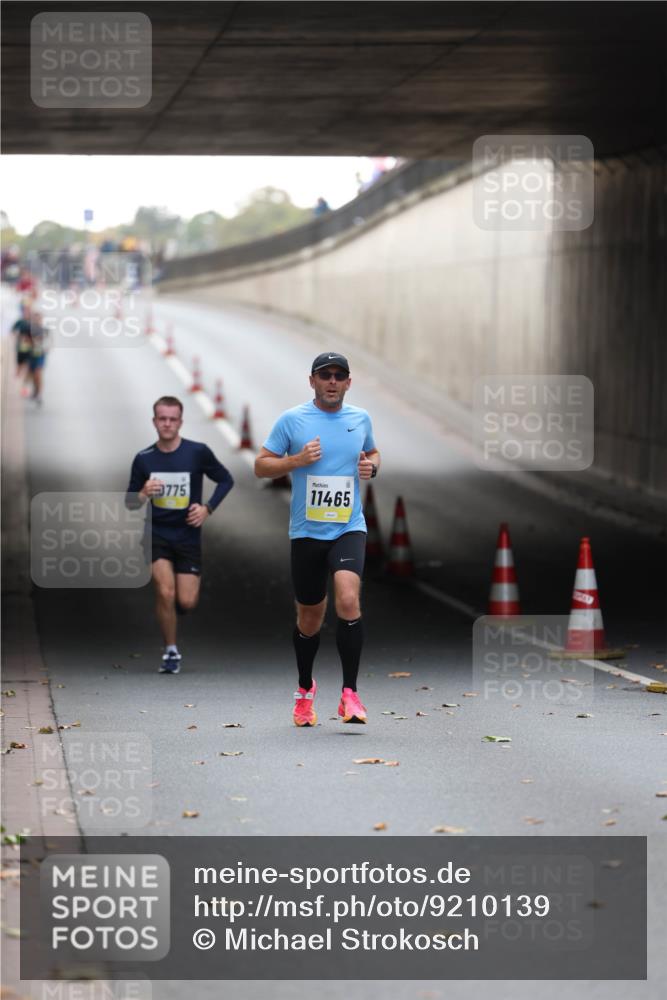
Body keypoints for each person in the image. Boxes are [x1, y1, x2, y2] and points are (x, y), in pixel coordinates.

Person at [255, 353, 381, 727]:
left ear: (348, 383)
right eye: (324, 375)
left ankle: (350, 694)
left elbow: (372, 451)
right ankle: (305, 689)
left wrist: (371, 466)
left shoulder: (359, 419)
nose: (332, 381)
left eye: (339, 376)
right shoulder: (293, 420)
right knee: (310, 618)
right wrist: (295, 461)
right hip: (307, 532)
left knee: (347, 598)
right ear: (312, 381)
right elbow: (261, 465)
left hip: (348, 526)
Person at [126, 396, 234, 674]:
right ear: (154, 421)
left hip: (188, 536)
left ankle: (173, 608)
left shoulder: (197, 452)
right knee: (165, 590)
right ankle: (171, 651)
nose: (167, 424)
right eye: (162, 418)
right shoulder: (144, 458)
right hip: (156, 534)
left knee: (185, 601)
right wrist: (143, 493)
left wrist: (207, 509)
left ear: (180, 422)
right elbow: (129, 502)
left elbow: (226, 479)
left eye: (172, 419)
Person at [27, 310, 48, 405]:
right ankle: (35, 390)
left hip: (40, 354)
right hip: (31, 354)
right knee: (32, 374)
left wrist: (42, 346)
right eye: (35, 319)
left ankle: (39, 394)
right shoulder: (29, 330)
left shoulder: (44, 330)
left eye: (39, 319)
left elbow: (48, 344)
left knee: (38, 373)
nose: (37, 321)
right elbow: (24, 341)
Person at [11, 309, 33, 381]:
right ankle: (17, 378)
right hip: (20, 346)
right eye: (25, 313)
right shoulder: (20, 322)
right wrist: (19, 336)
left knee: (27, 363)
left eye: (28, 313)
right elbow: (13, 330)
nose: (26, 314)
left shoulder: (32, 323)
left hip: (29, 346)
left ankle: (24, 379)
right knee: (19, 362)